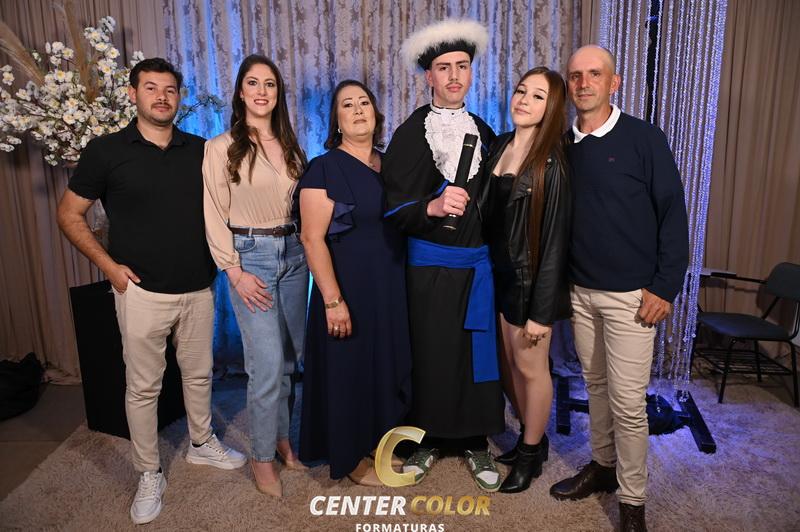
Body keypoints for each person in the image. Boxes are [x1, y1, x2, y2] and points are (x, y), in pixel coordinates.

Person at [57, 57, 246, 525]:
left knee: (199, 376)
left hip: (198, 289)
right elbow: (68, 214)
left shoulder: (199, 149)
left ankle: (201, 443)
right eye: (151, 88)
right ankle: (148, 472)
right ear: (133, 94)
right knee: (143, 388)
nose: (161, 97)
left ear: (179, 97)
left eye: (169, 89)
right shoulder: (105, 151)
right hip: (140, 292)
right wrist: (110, 268)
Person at [549, 45, 689, 531]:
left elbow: (673, 215)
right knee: (595, 388)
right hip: (581, 292)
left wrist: (665, 287)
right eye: (575, 76)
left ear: (614, 82)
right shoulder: (563, 145)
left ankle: (632, 502)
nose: (583, 83)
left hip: (633, 297)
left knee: (629, 405)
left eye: (594, 74)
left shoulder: (644, 139)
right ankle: (603, 467)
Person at [382, 18, 505, 492]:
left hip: (475, 268)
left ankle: (475, 441)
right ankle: (426, 440)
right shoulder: (411, 133)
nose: (454, 76)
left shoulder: (486, 132)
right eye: (443, 67)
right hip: (428, 269)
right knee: (431, 354)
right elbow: (391, 205)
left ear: (471, 73)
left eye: (462, 66)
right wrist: (430, 207)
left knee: (475, 356)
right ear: (428, 77)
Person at [296, 80, 412, 486]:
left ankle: (380, 444)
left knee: (386, 365)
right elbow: (311, 238)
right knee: (350, 370)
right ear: (337, 121)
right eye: (348, 105)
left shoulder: (392, 165)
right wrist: (332, 300)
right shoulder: (323, 168)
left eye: (364, 102)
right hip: (346, 288)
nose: (358, 110)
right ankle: (350, 457)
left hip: (390, 286)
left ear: (376, 115)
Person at [202, 54, 308, 498]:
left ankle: (283, 440)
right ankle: (262, 458)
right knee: (265, 365)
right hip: (252, 257)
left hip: (296, 254)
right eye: (253, 82)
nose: (262, 91)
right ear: (241, 92)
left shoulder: (291, 144)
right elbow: (213, 214)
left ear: (278, 93)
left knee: (289, 362)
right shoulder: (220, 147)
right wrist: (233, 271)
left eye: (270, 84)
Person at [485, 67, 571, 493]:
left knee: (531, 368)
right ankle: (529, 439)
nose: (524, 100)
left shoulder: (552, 162)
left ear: (551, 108)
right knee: (510, 366)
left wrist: (542, 312)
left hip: (528, 280)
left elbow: (555, 244)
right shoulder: (499, 144)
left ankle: (530, 453)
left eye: (538, 96)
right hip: (497, 275)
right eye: (521, 91)